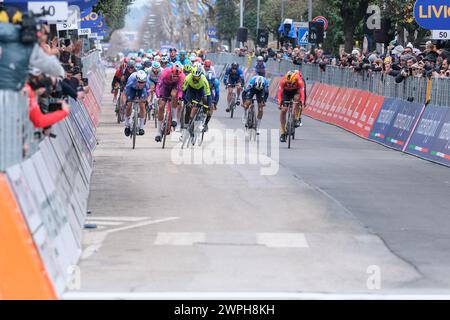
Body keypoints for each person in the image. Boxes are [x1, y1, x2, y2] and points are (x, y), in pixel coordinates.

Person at [155, 64, 185, 141]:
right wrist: (158, 96)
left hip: (174, 88)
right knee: (161, 107)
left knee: (174, 94)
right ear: (171, 73)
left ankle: (174, 118)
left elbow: (180, 90)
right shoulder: (165, 73)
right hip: (165, 88)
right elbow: (158, 86)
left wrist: (179, 98)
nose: (175, 78)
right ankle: (158, 132)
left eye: (177, 76)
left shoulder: (182, 76)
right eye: (174, 76)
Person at [277, 70, 305, 142]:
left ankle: (296, 118)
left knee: (297, 99)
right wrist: (279, 103)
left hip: (296, 91)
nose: (289, 84)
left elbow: (302, 92)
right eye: (288, 83)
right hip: (286, 93)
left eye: (291, 83)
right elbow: (280, 93)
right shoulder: (283, 80)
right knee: (283, 110)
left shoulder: (299, 80)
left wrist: (302, 101)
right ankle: (283, 133)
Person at [182, 66, 212, 132]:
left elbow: (208, 94)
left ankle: (203, 119)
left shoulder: (204, 80)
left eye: (197, 78)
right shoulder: (187, 78)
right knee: (188, 107)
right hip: (191, 90)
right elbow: (183, 92)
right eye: (194, 77)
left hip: (200, 90)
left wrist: (208, 106)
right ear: (192, 75)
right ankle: (186, 125)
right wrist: (187, 102)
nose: (195, 79)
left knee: (205, 101)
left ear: (200, 76)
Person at [124, 70, 149, 136]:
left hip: (142, 91)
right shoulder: (131, 80)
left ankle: (141, 127)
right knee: (128, 105)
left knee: (142, 106)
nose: (141, 84)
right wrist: (126, 101)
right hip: (131, 89)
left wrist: (146, 101)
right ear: (137, 80)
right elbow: (125, 91)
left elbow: (148, 93)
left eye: (143, 82)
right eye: (139, 82)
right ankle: (127, 126)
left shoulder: (146, 83)